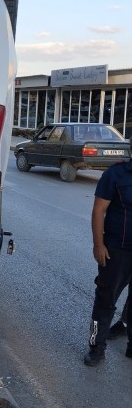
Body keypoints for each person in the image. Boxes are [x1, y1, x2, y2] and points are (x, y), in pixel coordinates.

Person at [85, 141, 132, 365]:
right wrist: (98, 245)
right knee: (105, 301)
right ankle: (96, 347)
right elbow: (98, 210)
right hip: (116, 252)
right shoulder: (115, 174)